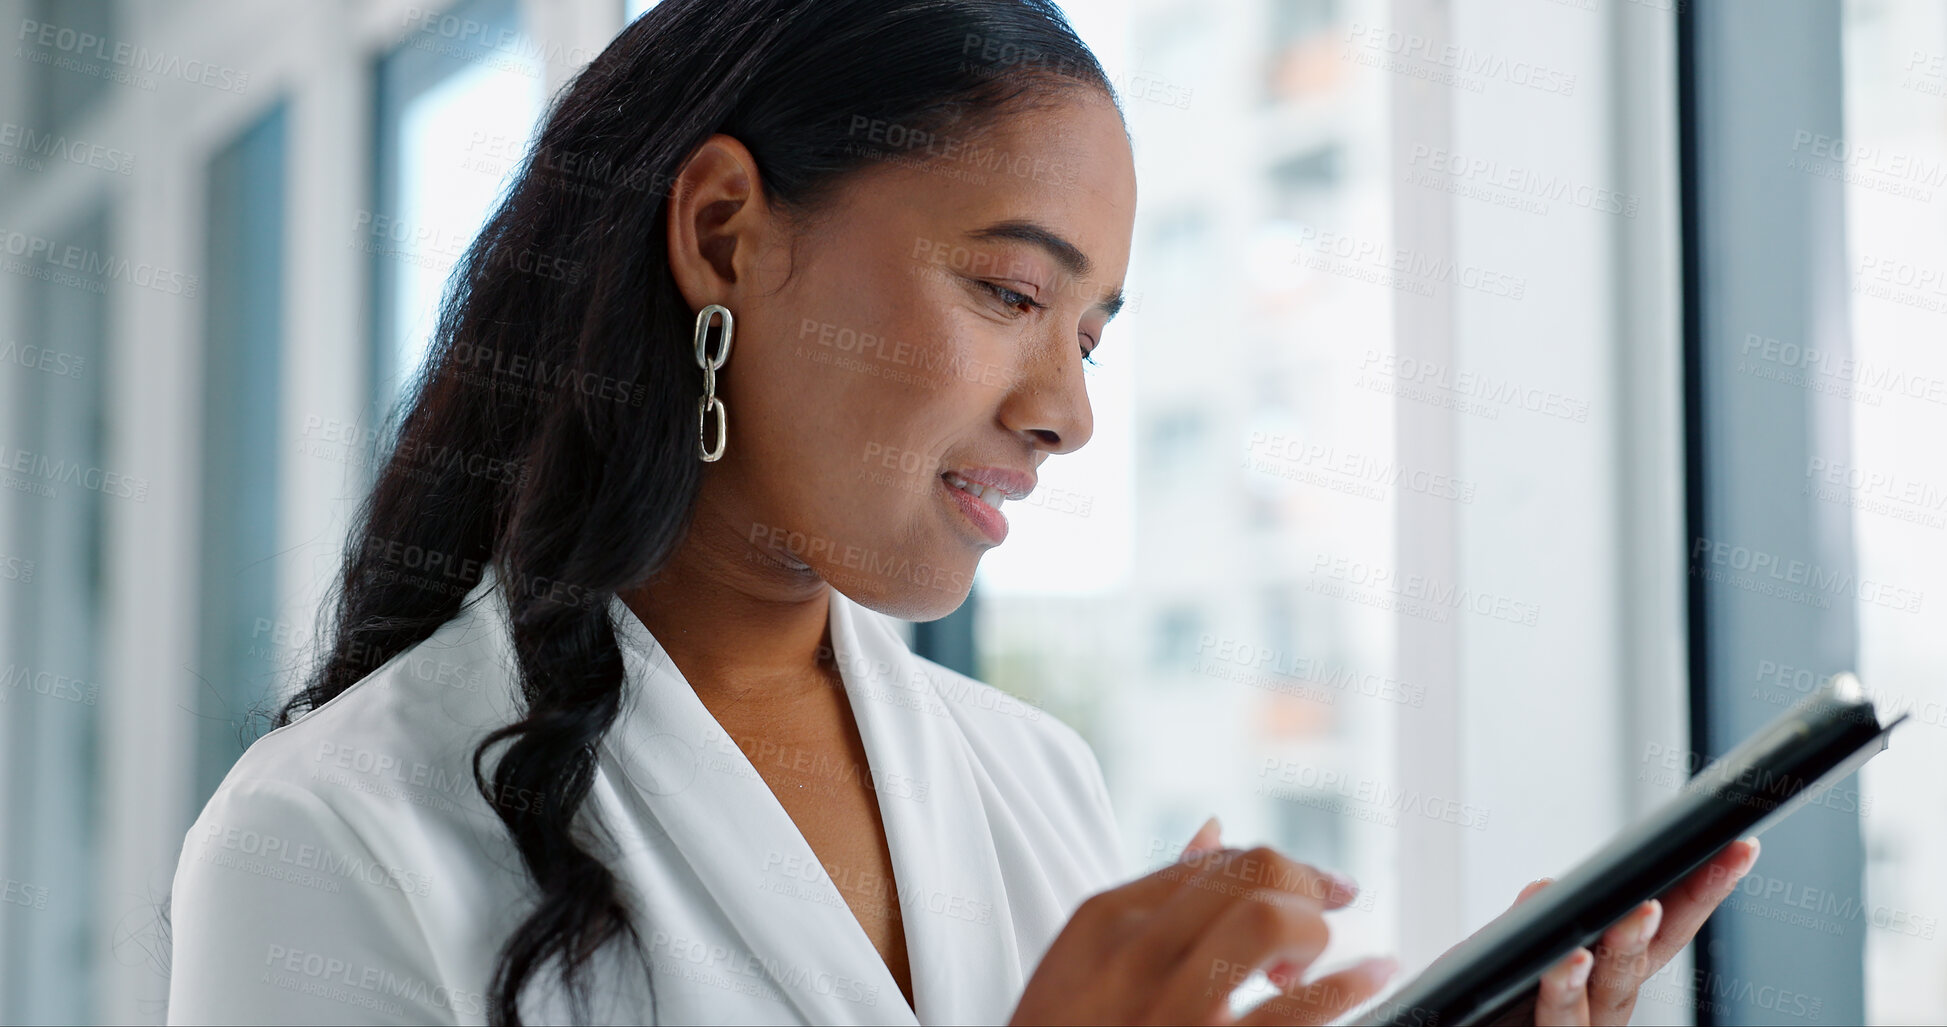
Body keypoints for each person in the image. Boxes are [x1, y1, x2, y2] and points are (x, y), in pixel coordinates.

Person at [164, 0, 1759, 1023]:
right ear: (723, 233)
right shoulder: (326, 839)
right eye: (1011, 290)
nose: (1067, 411)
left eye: (1093, 331)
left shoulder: (1026, 778)